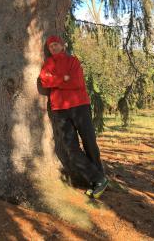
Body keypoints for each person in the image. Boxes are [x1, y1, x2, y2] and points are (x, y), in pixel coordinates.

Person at [39, 35, 108, 199]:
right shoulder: (48, 64)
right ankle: (98, 179)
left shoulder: (73, 61)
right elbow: (44, 81)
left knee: (90, 142)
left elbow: (76, 82)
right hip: (60, 109)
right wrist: (63, 79)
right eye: (51, 46)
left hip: (80, 106)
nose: (54, 48)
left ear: (63, 46)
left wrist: (55, 80)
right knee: (71, 149)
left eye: (56, 45)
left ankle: (98, 179)